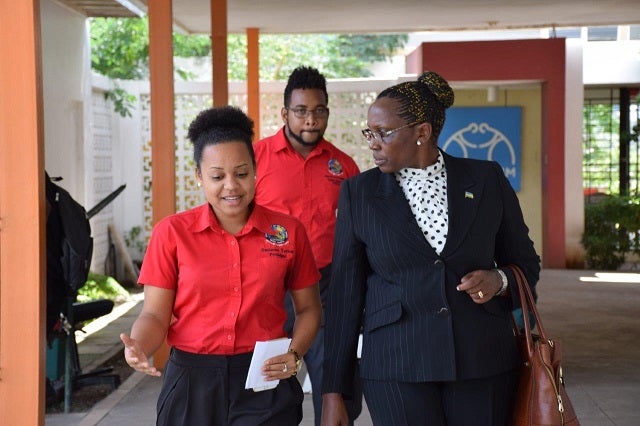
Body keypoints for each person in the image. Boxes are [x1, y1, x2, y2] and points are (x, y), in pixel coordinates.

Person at [321, 71, 541, 426]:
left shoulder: (485, 179)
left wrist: (498, 281)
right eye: (369, 133)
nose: (373, 143)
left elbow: (526, 265)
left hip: (481, 362)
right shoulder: (358, 194)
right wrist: (334, 392)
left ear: (422, 132)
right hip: (395, 367)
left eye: (384, 132)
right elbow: (345, 297)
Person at [120, 105, 322, 425]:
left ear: (255, 170)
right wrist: (139, 348)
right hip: (191, 382)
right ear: (199, 176)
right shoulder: (171, 233)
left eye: (241, 173)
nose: (231, 186)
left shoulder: (289, 232)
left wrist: (294, 354)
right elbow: (155, 314)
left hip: (264, 378)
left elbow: (309, 309)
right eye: (217, 176)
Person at [253, 65, 362, 425]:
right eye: (301, 111)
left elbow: (358, 234)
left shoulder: (343, 166)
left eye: (319, 111)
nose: (311, 120)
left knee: (336, 393)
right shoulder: (255, 160)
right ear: (285, 113)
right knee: (267, 393)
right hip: (270, 289)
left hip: (325, 289)